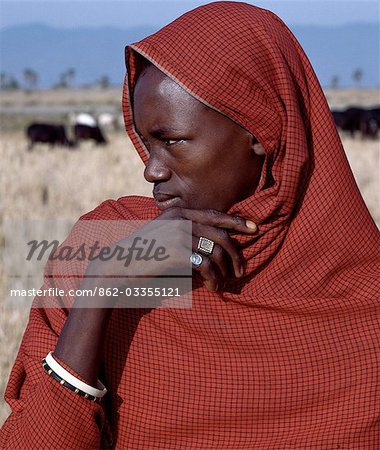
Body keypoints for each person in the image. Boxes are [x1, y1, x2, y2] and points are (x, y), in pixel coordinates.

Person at [1, 2, 379, 448]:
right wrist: (101, 286)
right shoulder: (102, 246)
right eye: (145, 142)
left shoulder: (364, 302)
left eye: (173, 141)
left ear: (261, 131)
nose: (151, 171)